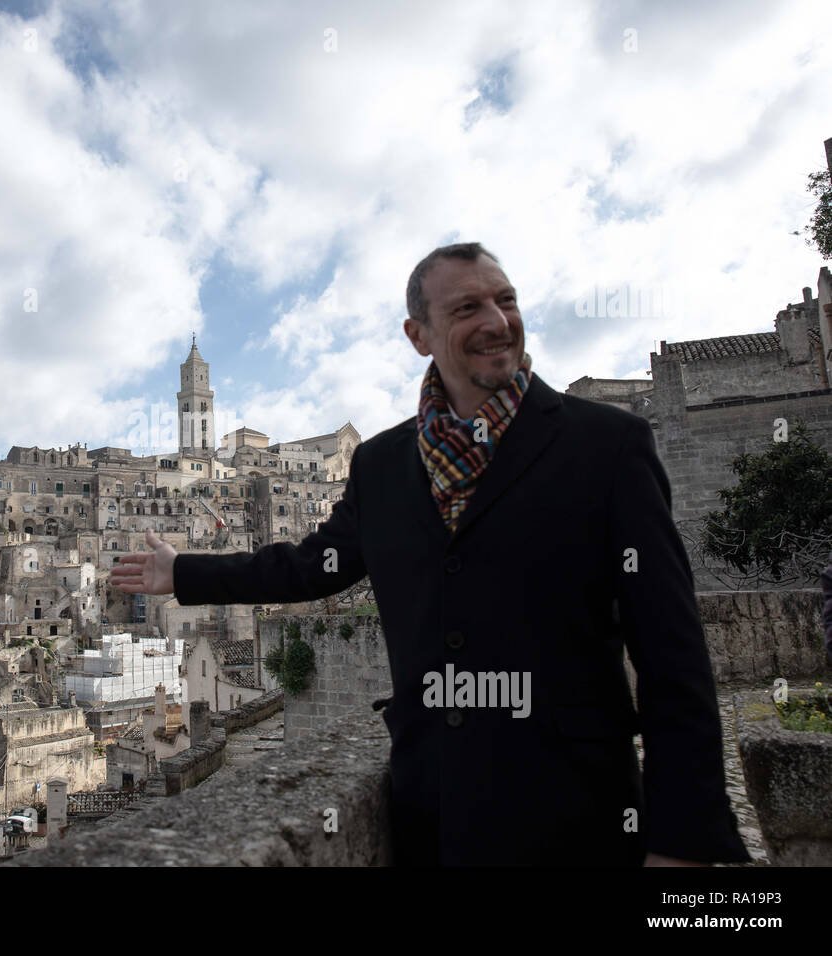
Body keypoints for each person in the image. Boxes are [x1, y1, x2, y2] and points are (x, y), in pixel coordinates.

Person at [110, 242, 749, 866]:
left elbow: (672, 652)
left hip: (579, 807)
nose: (498, 321)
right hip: (433, 805)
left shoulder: (608, 444)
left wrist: (682, 838)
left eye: (507, 301)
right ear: (419, 334)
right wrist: (183, 572)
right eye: (468, 307)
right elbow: (312, 566)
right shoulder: (385, 464)